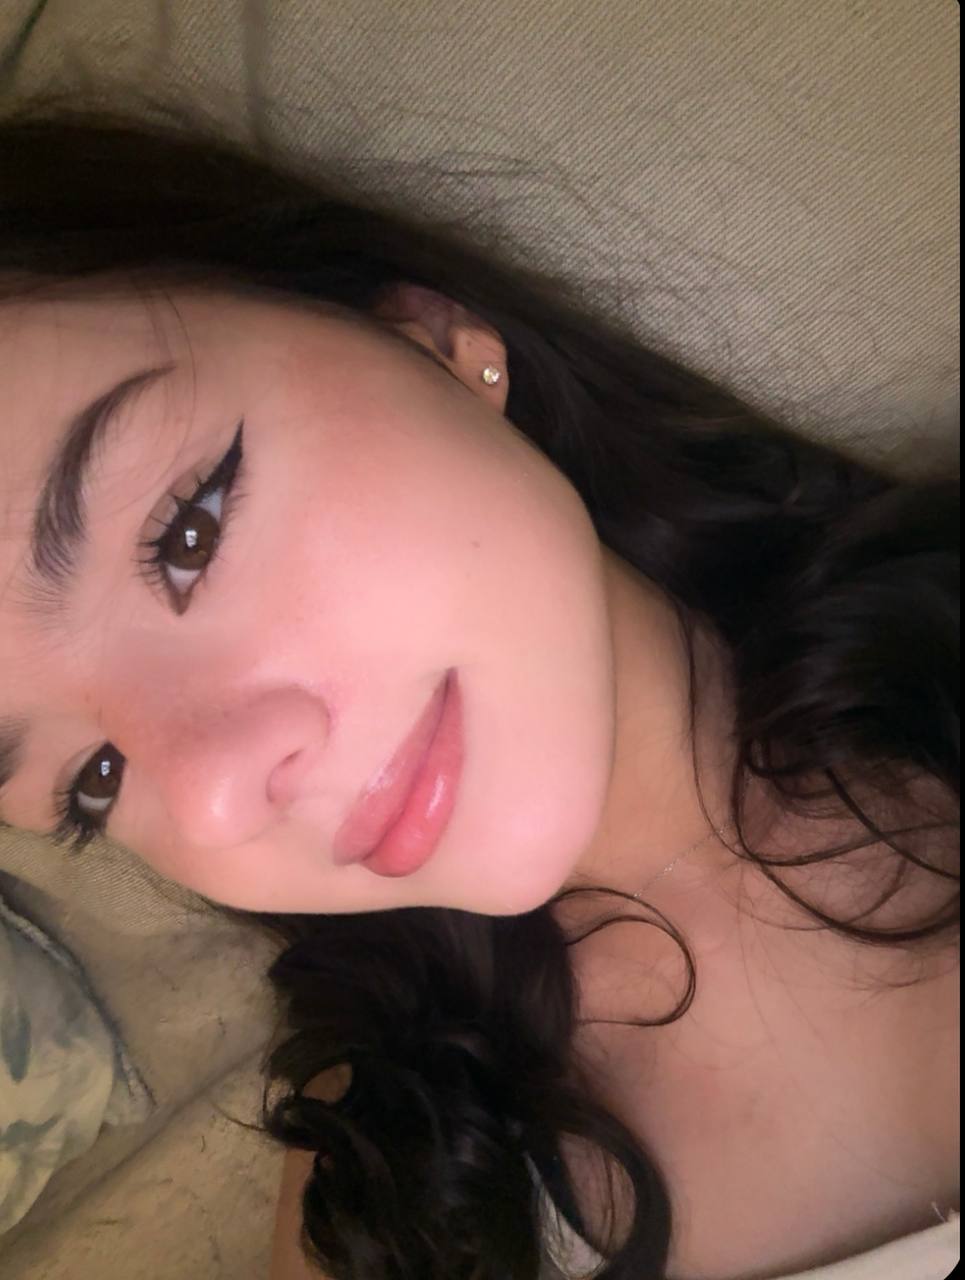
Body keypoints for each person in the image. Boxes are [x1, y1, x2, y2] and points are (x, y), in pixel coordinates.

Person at [0, 103, 958, 1280]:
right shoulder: (395, 1201)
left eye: (186, 534)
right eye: (94, 782)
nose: (212, 795)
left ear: (435, 342)